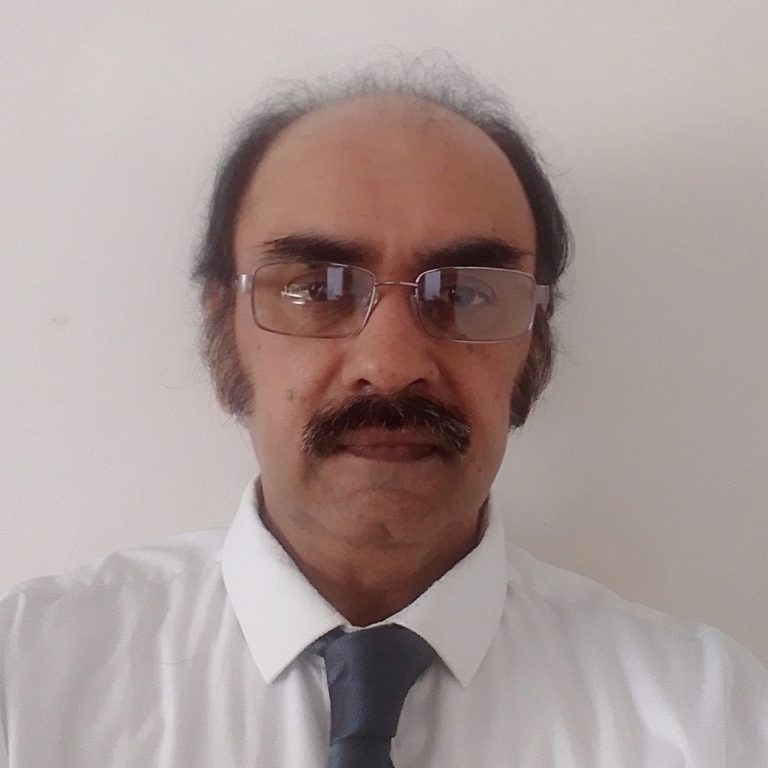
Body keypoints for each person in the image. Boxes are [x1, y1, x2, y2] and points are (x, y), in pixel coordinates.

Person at [1, 63, 766, 768]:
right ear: (222, 329)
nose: (393, 363)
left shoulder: (708, 720)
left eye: (465, 292)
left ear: (536, 340)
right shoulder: (27, 683)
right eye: (318, 289)